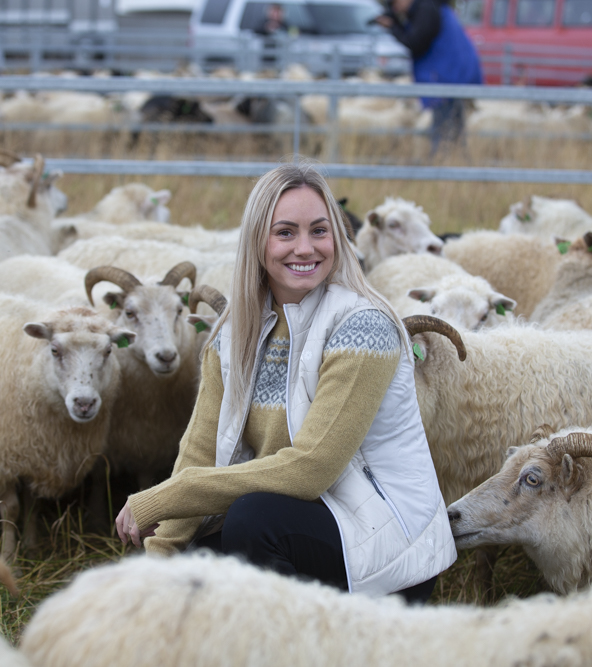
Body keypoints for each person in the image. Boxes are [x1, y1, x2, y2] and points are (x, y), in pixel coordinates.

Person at [115, 160, 456, 602]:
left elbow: (311, 468)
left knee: (251, 520)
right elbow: (200, 451)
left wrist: (165, 497)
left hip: (383, 543)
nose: (305, 248)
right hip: (304, 523)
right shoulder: (234, 334)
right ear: (258, 241)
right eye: (285, 232)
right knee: (192, 570)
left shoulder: (362, 326)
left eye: (319, 231)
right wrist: (159, 564)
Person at [374, 0, 482, 153]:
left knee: (444, 130)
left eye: (395, 2)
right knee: (453, 130)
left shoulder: (426, 9)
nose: (394, 6)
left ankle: (442, 166)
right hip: (453, 75)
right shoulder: (431, 6)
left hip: (447, 78)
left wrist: (393, 26)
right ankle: (453, 164)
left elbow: (417, 42)